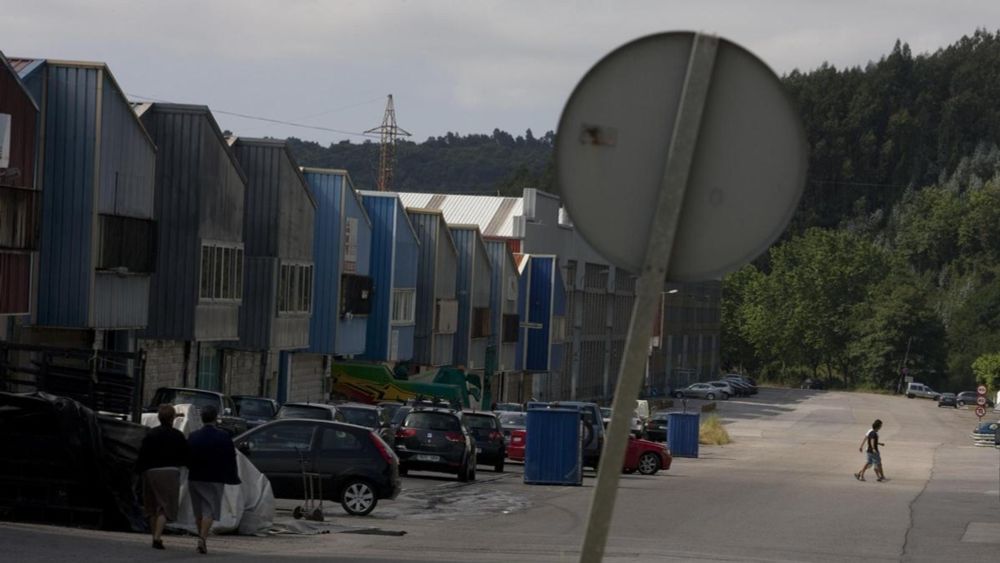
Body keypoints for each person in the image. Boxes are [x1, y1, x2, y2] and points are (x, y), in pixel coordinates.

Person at [187, 405, 241, 554]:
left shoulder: (193, 436)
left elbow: (187, 456)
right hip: (215, 478)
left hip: (195, 477)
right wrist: (232, 477)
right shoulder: (223, 436)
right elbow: (231, 458)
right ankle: (202, 539)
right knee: (209, 511)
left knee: (198, 511)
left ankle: (200, 535)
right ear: (215, 418)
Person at [134, 404, 190, 550]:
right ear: (172, 418)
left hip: (150, 472)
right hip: (169, 472)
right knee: (165, 507)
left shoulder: (151, 434)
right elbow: (185, 456)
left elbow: (142, 454)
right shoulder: (177, 436)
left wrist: (138, 471)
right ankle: (158, 537)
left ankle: (154, 535)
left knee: (151, 507)